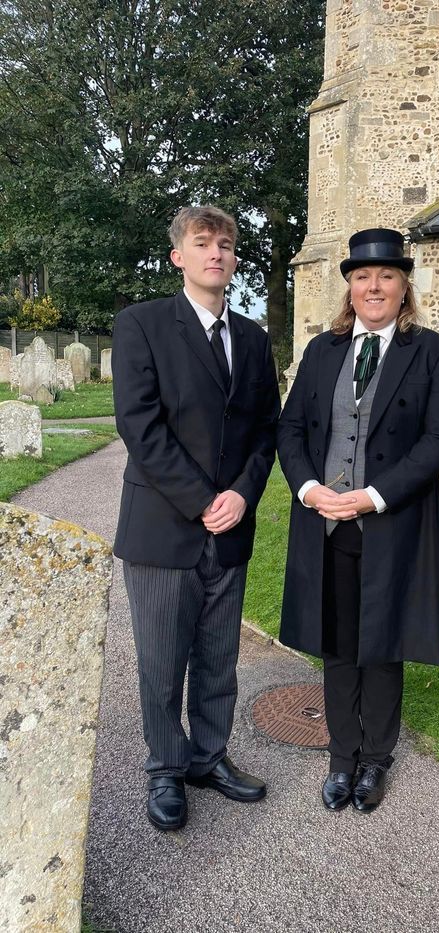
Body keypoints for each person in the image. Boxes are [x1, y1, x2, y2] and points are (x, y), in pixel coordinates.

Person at [277, 228, 439, 813]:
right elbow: (290, 430)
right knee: (337, 643)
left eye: (385, 275)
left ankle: (376, 758)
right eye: (362, 276)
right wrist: (310, 489)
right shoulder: (321, 351)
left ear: (404, 284)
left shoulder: (433, 352)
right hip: (326, 523)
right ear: (350, 287)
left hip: (390, 523)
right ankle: (341, 756)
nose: (373, 286)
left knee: (381, 644)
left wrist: (374, 496)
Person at [112, 205, 280, 831]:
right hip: (164, 528)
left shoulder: (255, 339)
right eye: (203, 243)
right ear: (178, 256)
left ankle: (209, 757)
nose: (217, 253)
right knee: (161, 662)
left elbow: (267, 430)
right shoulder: (142, 325)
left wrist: (241, 494)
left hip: (230, 529)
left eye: (227, 244)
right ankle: (165, 767)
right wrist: (201, 499)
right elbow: (139, 424)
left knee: (218, 658)